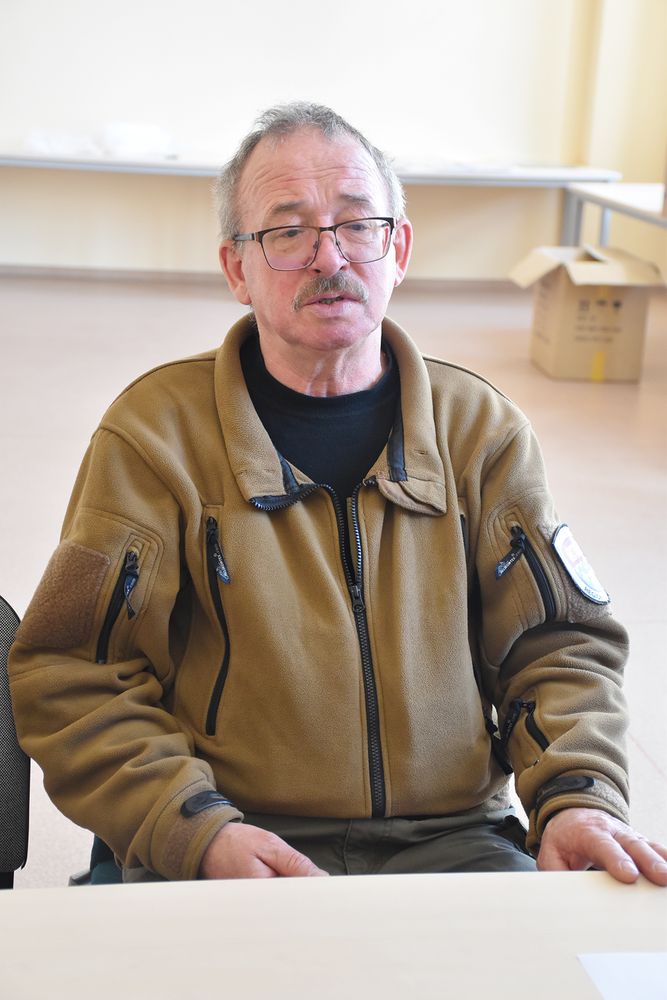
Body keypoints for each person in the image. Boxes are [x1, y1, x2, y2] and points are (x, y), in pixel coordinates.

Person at [9, 103, 667, 885]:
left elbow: (557, 645)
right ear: (236, 269)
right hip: (225, 834)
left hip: (451, 837)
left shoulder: (481, 431)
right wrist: (191, 829)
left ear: (399, 249)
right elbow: (74, 672)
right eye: (288, 232)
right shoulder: (154, 436)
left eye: (358, 225)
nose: (330, 256)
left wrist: (577, 800)